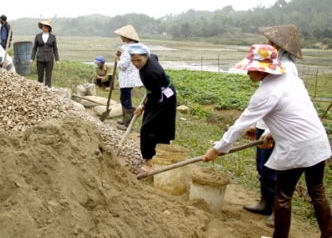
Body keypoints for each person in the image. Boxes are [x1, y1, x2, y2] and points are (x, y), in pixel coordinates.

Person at [203, 44, 332, 238]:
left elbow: (239, 125)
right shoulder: (291, 80)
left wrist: (217, 149)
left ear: (263, 68)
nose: (247, 72)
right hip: (317, 141)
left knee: (282, 196)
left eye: (250, 68)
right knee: (317, 191)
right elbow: (293, 113)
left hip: (296, 147)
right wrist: (270, 131)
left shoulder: (265, 93)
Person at [242, 25, 301, 228]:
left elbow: (282, 102)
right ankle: (265, 202)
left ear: (278, 45)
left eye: (270, 41)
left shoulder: (288, 68)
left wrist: (269, 130)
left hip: (275, 128)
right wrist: (256, 124)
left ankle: (277, 210)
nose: (267, 44)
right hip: (264, 124)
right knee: (263, 166)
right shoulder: (271, 62)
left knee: (274, 168)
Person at [126, 44, 176, 175]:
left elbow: (156, 97)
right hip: (158, 94)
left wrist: (142, 107)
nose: (136, 63)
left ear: (146, 57)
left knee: (148, 128)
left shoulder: (151, 73)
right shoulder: (151, 58)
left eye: (139, 60)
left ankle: (149, 163)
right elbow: (156, 56)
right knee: (155, 125)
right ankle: (159, 155)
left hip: (163, 98)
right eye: (133, 60)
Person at [114, 24, 143, 130]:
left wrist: (117, 59)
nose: (121, 37)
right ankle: (125, 119)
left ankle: (127, 124)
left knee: (126, 99)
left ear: (127, 37)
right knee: (123, 97)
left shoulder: (128, 49)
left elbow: (123, 65)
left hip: (127, 78)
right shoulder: (133, 47)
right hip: (131, 77)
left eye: (122, 36)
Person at [29, 19, 60, 88]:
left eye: (45, 26)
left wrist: (57, 60)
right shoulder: (38, 36)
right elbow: (34, 48)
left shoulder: (52, 37)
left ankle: (48, 90)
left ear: (48, 28)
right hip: (40, 58)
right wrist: (32, 58)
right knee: (40, 76)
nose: (44, 28)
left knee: (48, 77)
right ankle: (40, 90)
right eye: (43, 26)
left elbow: (55, 49)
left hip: (49, 58)